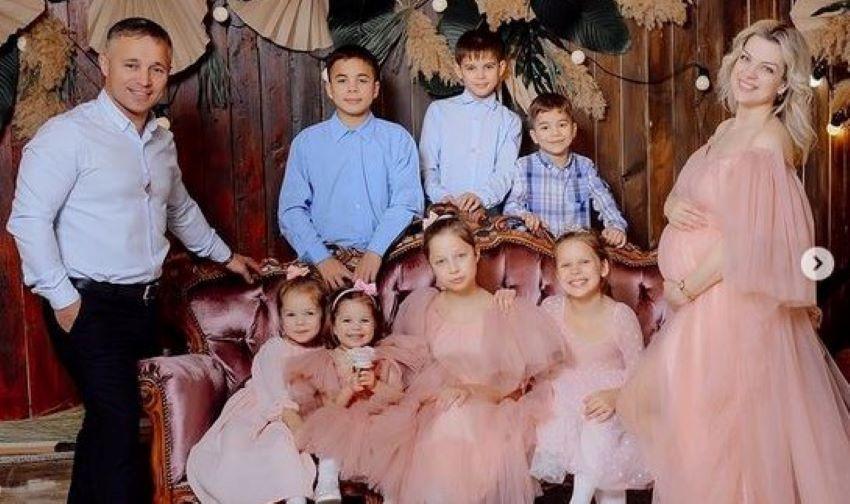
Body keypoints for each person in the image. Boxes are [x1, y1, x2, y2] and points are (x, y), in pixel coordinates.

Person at [5, 18, 260, 504]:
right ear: (105, 65)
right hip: (86, 302)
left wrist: (227, 257)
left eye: (156, 68)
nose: (144, 79)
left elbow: (180, 210)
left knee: (108, 422)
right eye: (132, 65)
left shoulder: (161, 142)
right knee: (119, 420)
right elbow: (28, 221)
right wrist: (64, 301)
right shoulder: (67, 135)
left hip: (142, 304)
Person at [616, 20, 850, 503]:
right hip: (700, 304)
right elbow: (693, 194)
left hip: (727, 305)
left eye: (767, 69)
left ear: (783, 84)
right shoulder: (726, 129)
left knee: (726, 434)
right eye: (746, 59)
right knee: (695, 428)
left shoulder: (768, 141)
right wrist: (669, 206)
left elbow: (749, 237)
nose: (750, 73)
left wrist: (688, 288)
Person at [356, 209, 567, 504]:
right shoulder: (422, 308)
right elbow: (410, 376)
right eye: (441, 261)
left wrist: (468, 391)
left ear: (476, 254)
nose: (453, 268)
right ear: (431, 265)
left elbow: (513, 389)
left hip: (489, 411)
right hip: (432, 409)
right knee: (444, 421)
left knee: (457, 418)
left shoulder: (502, 309)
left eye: (460, 256)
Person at [278, 44, 424, 290]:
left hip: (386, 257)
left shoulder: (398, 139)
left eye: (362, 80)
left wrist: (375, 251)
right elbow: (291, 211)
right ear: (329, 89)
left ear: (375, 89)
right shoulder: (307, 143)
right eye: (342, 80)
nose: (352, 88)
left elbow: (407, 203)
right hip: (323, 262)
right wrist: (322, 259)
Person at [526, 230, 650, 504]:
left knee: (599, 425)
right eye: (566, 265)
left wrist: (616, 396)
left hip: (613, 396)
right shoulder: (551, 308)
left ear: (603, 267)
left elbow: (640, 373)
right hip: (564, 397)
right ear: (557, 274)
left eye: (584, 262)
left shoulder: (620, 316)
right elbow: (531, 349)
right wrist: (506, 301)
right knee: (590, 431)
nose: (575, 271)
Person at [187, 264, 328, 504]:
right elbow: (275, 391)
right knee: (270, 440)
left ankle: (299, 494)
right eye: (291, 315)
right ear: (281, 318)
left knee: (292, 441)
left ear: (322, 315)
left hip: (303, 412)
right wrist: (294, 422)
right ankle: (294, 497)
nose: (300, 322)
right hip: (265, 408)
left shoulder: (323, 353)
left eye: (309, 314)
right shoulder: (276, 348)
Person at [287, 281, 424, 502]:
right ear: (334, 326)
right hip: (343, 416)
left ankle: (392, 492)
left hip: (380, 416)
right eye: (347, 321)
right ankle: (327, 482)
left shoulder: (384, 357)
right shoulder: (326, 360)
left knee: (397, 436)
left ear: (375, 324)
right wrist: (349, 389)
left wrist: (375, 385)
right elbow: (330, 407)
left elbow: (398, 396)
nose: (356, 327)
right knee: (329, 427)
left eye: (364, 320)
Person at [503, 93, 628, 246]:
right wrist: (524, 216)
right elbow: (511, 207)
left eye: (562, 125)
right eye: (545, 127)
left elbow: (605, 203)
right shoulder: (524, 166)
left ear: (573, 130)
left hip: (576, 246)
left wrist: (616, 226)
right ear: (534, 136)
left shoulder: (585, 166)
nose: (555, 133)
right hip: (539, 247)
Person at [420, 29, 521, 213]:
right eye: (471, 68)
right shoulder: (438, 111)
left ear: (501, 68)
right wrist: (441, 196)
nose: (480, 75)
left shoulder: (510, 121)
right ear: (459, 70)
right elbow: (427, 167)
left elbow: (505, 172)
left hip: (487, 215)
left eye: (488, 67)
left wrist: (481, 197)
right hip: (444, 212)